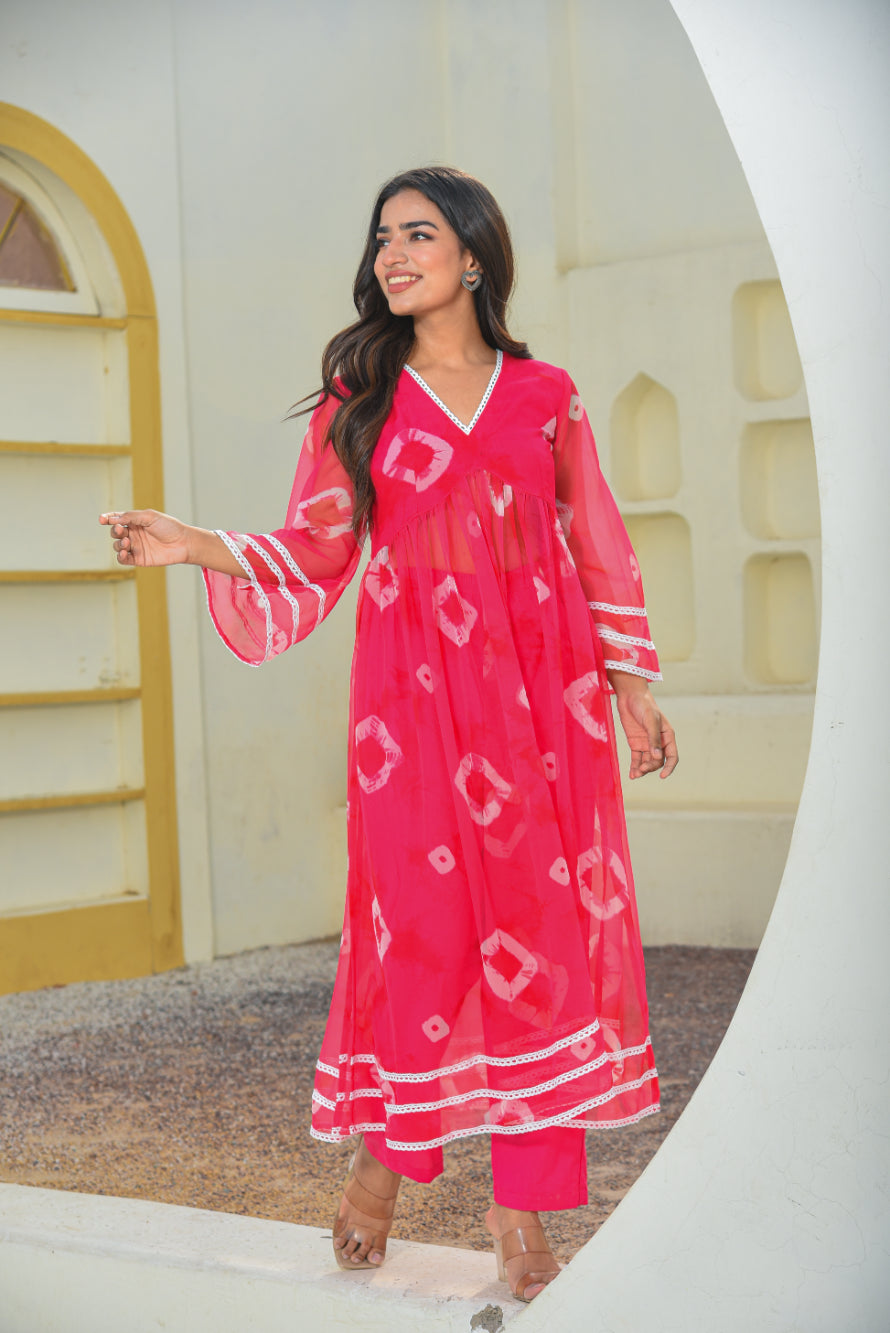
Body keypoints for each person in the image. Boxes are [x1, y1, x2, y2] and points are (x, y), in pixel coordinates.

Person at [100, 166, 677, 1303]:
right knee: (422, 939)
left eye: (417, 234)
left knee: (543, 947)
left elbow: (595, 539)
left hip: (541, 710)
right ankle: (381, 1165)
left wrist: (631, 682)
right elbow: (320, 546)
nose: (391, 255)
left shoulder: (543, 394)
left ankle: (520, 1216)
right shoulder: (357, 387)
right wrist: (193, 545)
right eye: (380, 239)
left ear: (473, 254)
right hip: (409, 713)